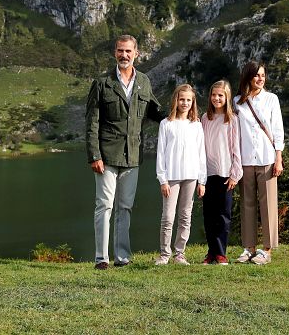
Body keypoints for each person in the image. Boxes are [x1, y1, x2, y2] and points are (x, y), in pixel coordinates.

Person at [86, 34, 162, 270]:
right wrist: (94, 155)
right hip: (107, 154)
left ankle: (122, 257)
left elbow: (155, 112)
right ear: (114, 53)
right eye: (120, 51)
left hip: (133, 155)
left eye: (128, 51)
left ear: (136, 54)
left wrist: (181, 120)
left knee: (125, 207)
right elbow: (91, 123)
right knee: (104, 205)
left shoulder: (144, 82)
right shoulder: (102, 83)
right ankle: (101, 258)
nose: (124, 55)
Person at [233, 61, 284, 265]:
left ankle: (267, 250)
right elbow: (234, 132)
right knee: (247, 204)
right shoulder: (237, 101)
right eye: (256, 75)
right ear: (248, 77)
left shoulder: (272, 99)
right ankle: (248, 248)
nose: (261, 78)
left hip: (267, 159)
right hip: (245, 160)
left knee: (268, 205)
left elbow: (278, 130)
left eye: (263, 75)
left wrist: (278, 157)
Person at [154, 84, 207, 266]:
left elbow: (201, 154)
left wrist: (202, 180)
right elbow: (161, 153)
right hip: (171, 177)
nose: (184, 103)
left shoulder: (196, 125)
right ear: (175, 100)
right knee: (168, 216)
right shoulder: (166, 124)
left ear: (193, 103)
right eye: (181, 99)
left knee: (185, 216)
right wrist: (163, 179)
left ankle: (179, 253)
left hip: (191, 176)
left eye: (188, 100)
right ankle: (164, 254)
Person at [200, 80, 242, 265]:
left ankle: (221, 253)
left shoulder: (232, 119)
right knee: (209, 214)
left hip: (226, 173)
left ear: (227, 97)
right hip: (208, 173)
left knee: (223, 215)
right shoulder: (204, 118)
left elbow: (236, 148)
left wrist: (235, 173)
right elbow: (200, 147)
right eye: (214, 95)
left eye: (220, 95)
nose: (216, 98)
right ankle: (211, 252)